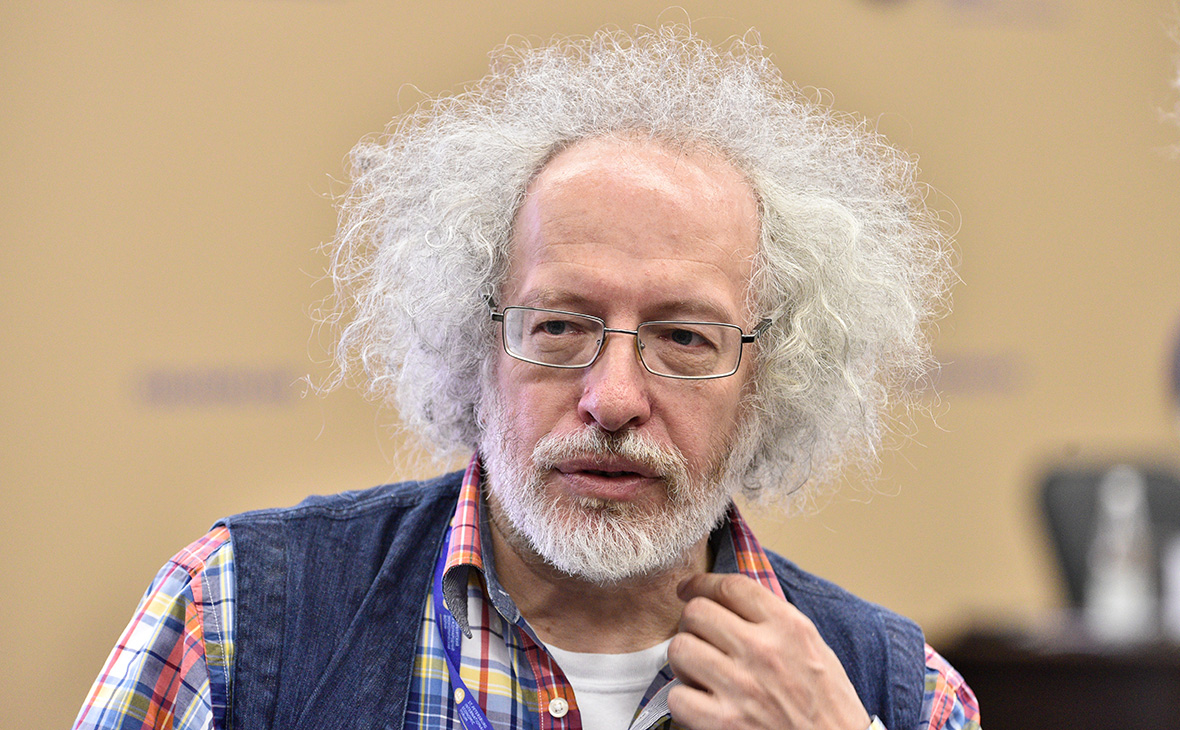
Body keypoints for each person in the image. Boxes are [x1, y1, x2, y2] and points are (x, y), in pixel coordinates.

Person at [74, 27, 979, 730]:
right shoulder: (237, 615)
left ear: (769, 379)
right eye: (559, 327)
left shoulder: (904, 697)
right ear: (477, 345)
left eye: (683, 338)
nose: (613, 399)